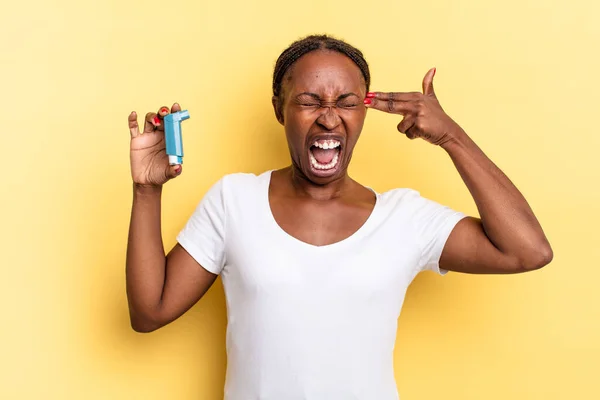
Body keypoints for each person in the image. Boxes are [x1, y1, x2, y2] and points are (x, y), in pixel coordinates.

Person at [125, 34, 553, 399]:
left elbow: (527, 250)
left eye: (346, 102)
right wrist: (147, 190)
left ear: (364, 111)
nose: (329, 118)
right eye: (309, 101)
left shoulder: (403, 218)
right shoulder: (234, 201)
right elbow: (150, 312)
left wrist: (450, 136)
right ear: (280, 109)